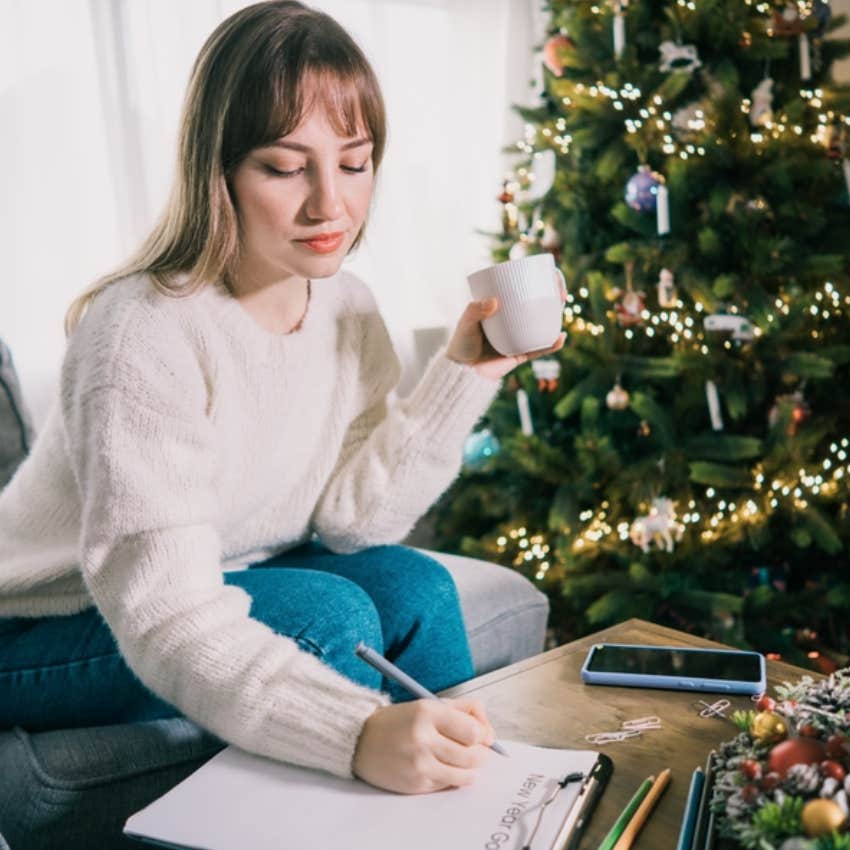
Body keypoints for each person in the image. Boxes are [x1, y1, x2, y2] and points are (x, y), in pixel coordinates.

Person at [0, 0, 565, 795]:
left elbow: (351, 524)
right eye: (285, 166)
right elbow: (165, 612)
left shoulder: (349, 307)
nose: (329, 204)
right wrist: (354, 733)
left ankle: (484, 810)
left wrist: (463, 373)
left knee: (417, 587)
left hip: (228, 569)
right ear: (220, 169)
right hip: (39, 626)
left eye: (355, 161)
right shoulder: (144, 330)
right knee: (324, 614)